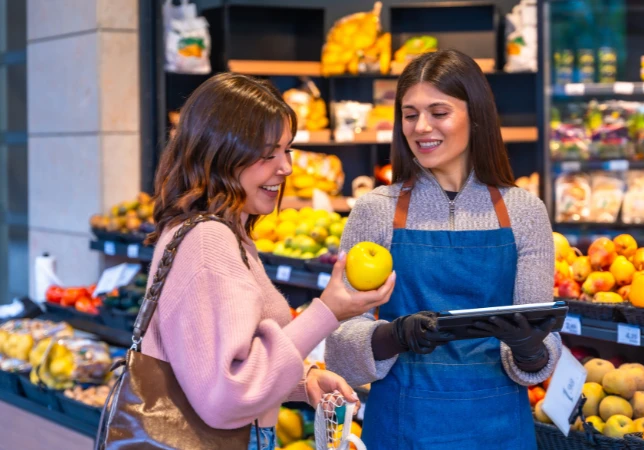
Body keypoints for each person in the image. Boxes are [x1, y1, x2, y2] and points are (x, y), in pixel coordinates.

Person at [142, 73, 396, 450]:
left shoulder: (218, 231)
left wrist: (302, 379)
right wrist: (327, 311)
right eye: (267, 154)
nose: (286, 168)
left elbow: (221, 364)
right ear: (221, 153)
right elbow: (226, 395)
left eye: (286, 149)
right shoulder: (209, 240)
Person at [325, 49, 561, 449]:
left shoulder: (524, 212)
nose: (421, 127)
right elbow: (339, 346)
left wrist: (530, 347)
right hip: (404, 427)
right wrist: (392, 336)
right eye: (410, 114)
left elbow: (543, 351)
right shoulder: (375, 211)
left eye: (439, 112)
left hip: (501, 430)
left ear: (476, 115)